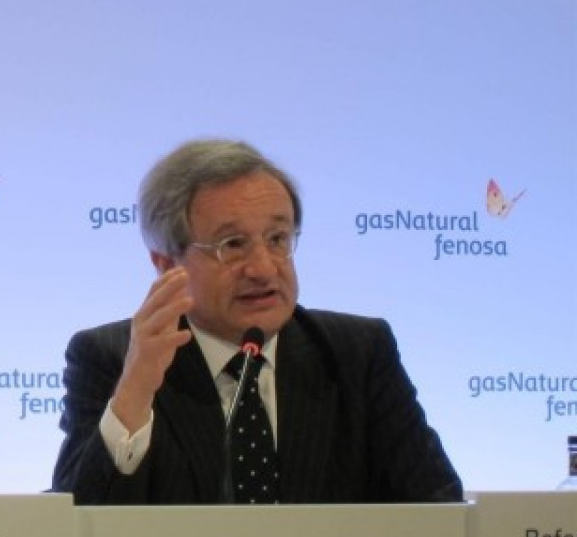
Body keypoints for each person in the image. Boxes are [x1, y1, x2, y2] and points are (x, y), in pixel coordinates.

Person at [52, 138, 461, 506]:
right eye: (232, 245)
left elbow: (438, 507)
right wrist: (134, 394)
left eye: (278, 239)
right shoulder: (112, 359)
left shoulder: (358, 353)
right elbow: (76, 529)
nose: (263, 269)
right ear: (166, 264)